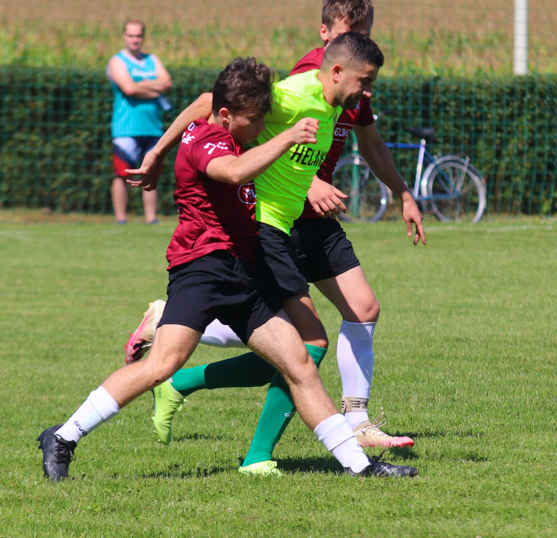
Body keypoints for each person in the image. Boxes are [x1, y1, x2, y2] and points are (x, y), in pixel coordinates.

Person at [37, 56, 416, 482]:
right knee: (163, 364)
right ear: (224, 114)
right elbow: (234, 174)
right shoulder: (205, 141)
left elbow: (234, 134)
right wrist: (289, 137)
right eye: (254, 120)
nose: (260, 128)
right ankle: (63, 436)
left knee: (301, 364)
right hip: (202, 267)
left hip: (243, 269)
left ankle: (360, 467)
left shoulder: (239, 134)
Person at [126, 0, 426, 471]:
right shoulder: (308, 79)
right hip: (272, 222)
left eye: (365, 35)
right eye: (350, 35)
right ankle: (257, 443)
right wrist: (158, 154)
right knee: (299, 343)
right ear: (327, 37)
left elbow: (368, 142)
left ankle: (353, 419)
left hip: (308, 222)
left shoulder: (355, 84)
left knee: (354, 312)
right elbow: (217, 106)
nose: (359, 46)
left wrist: (403, 192)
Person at [107, 19, 172, 224]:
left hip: (153, 127)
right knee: (122, 173)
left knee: (151, 173)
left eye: (138, 36)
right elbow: (129, 89)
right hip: (125, 128)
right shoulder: (117, 61)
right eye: (131, 35)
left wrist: (142, 84)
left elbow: (167, 82)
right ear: (124, 36)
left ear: (143, 37)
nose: (135, 39)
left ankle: (151, 218)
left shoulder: (152, 59)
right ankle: (120, 218)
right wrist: (154, 89)